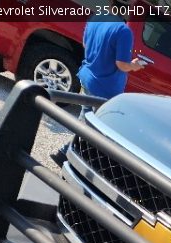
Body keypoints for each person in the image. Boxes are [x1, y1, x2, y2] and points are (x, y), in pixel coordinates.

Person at [50, 8, 146, 165]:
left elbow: (85, 44)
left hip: (87, 78)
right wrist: (135, 66)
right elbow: (122, 65)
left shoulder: (95, 18)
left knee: (86, 120)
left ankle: (66, 153)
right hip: (105, 88)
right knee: (97, 129)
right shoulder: (124, 31)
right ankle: (70, 157)